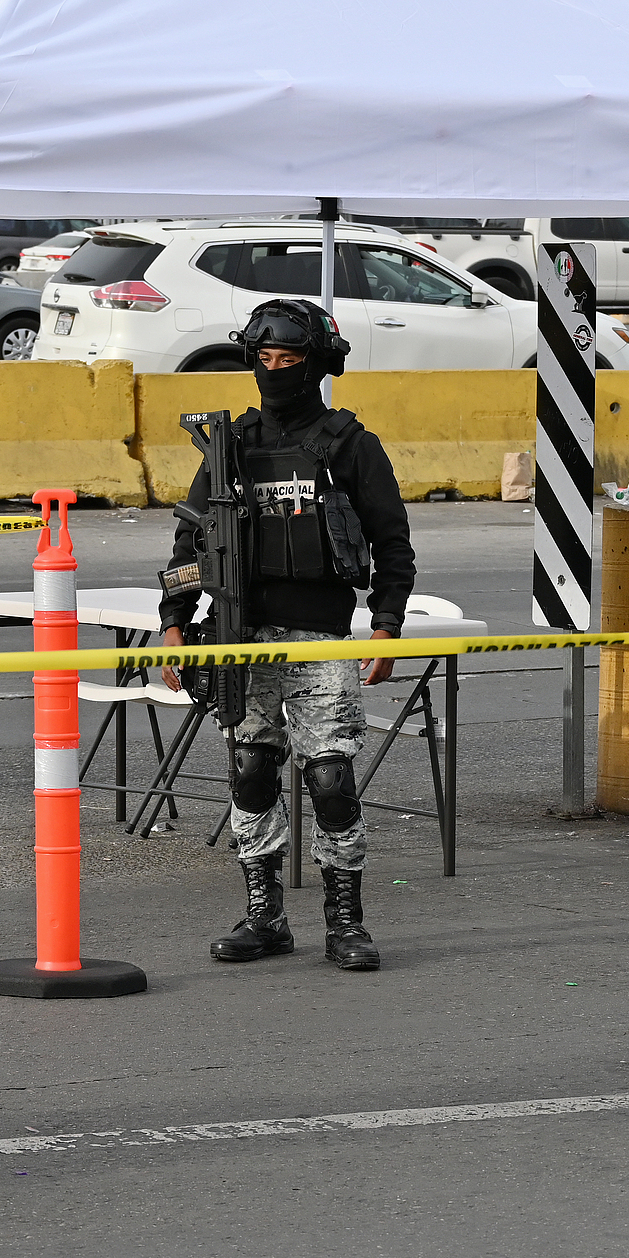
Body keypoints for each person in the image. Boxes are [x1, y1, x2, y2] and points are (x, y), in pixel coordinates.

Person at [158, 298, 416, 970]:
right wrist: (172, 623)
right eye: (264, 359)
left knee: (329, 777)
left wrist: (387, 622)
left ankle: (346, 922)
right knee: (251, 771)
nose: (275, 371)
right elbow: (191, 535)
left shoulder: (349, 445)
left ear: (318, 363)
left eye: (290, 359)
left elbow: (392, 540)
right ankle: (264, 915)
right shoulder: (231, 444)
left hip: (321, 635)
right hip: (241, 633)